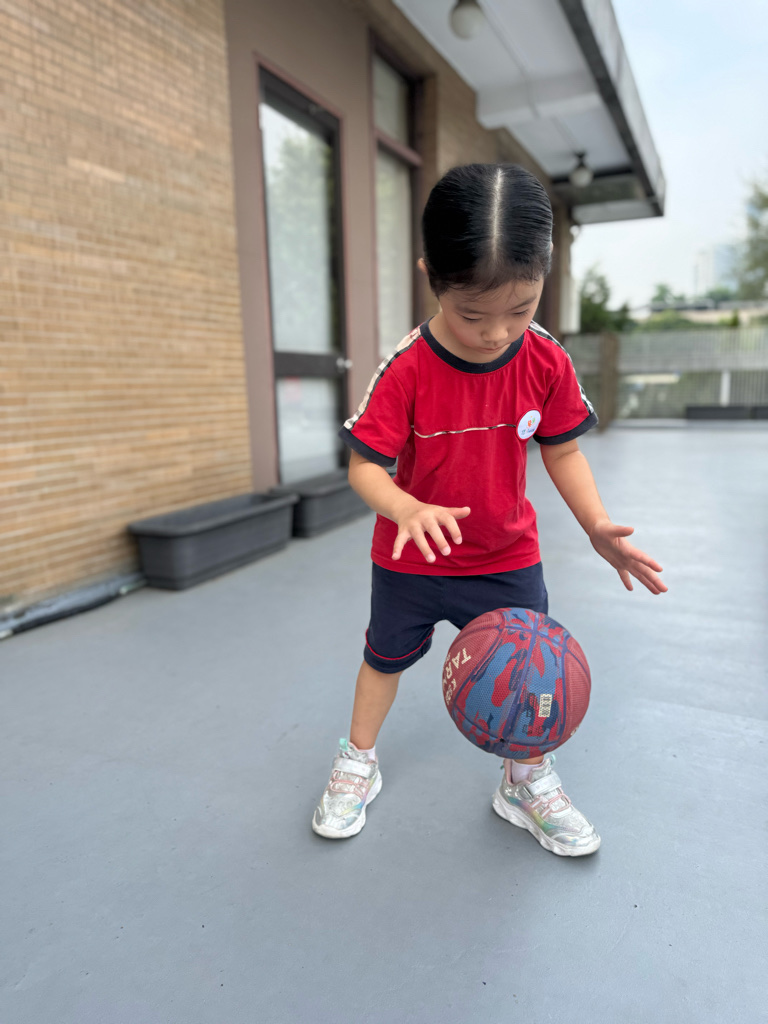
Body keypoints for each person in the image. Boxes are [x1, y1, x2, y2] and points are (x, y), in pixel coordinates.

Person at [312, 163, 667, 856]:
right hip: (414, 557)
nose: (497, 332)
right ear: (433, 278)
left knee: (532, 670)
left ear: (544, 280)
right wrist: (405, 507)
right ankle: (358, 761)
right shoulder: (408, 368)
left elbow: (563, 451)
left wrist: (596, 525)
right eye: (472, 314)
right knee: (383, 659)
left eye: (521, 309)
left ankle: (523, 780)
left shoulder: (546, 361)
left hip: (506, 556)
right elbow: (364, 466)